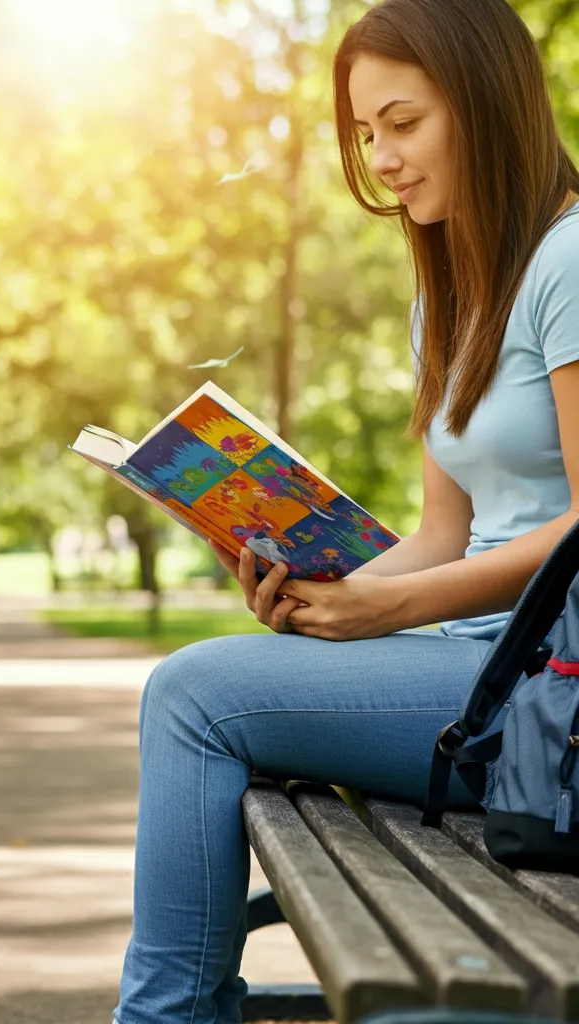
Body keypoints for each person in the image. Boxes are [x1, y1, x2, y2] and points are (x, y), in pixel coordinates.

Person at [112, 0, 579, 1021]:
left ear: (488, 103)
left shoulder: (569, 260)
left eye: (402, 122)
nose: (381, 158)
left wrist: (393, 614)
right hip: (472, 671)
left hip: (550, 696)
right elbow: (444, 533)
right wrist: (325, 591)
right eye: (366, 133)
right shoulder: (451, 291)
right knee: (201, 695)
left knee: (193, 698)